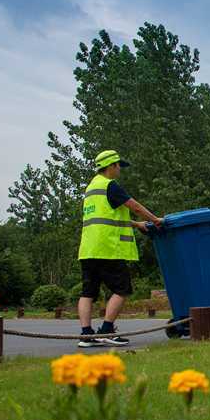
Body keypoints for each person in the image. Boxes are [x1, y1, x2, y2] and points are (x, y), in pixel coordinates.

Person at [76, 149, 163, 347]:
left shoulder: (91, 188)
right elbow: (136, 207)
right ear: (111, 166)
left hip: (88, 249)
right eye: (118, 166)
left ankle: (86, 335)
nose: (120, 170)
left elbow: (107, 217)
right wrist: (154, 220)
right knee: (122, 289)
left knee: (88, 292)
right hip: (108, 248)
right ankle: (107, 329)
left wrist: (136, 224)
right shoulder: (111, 186)